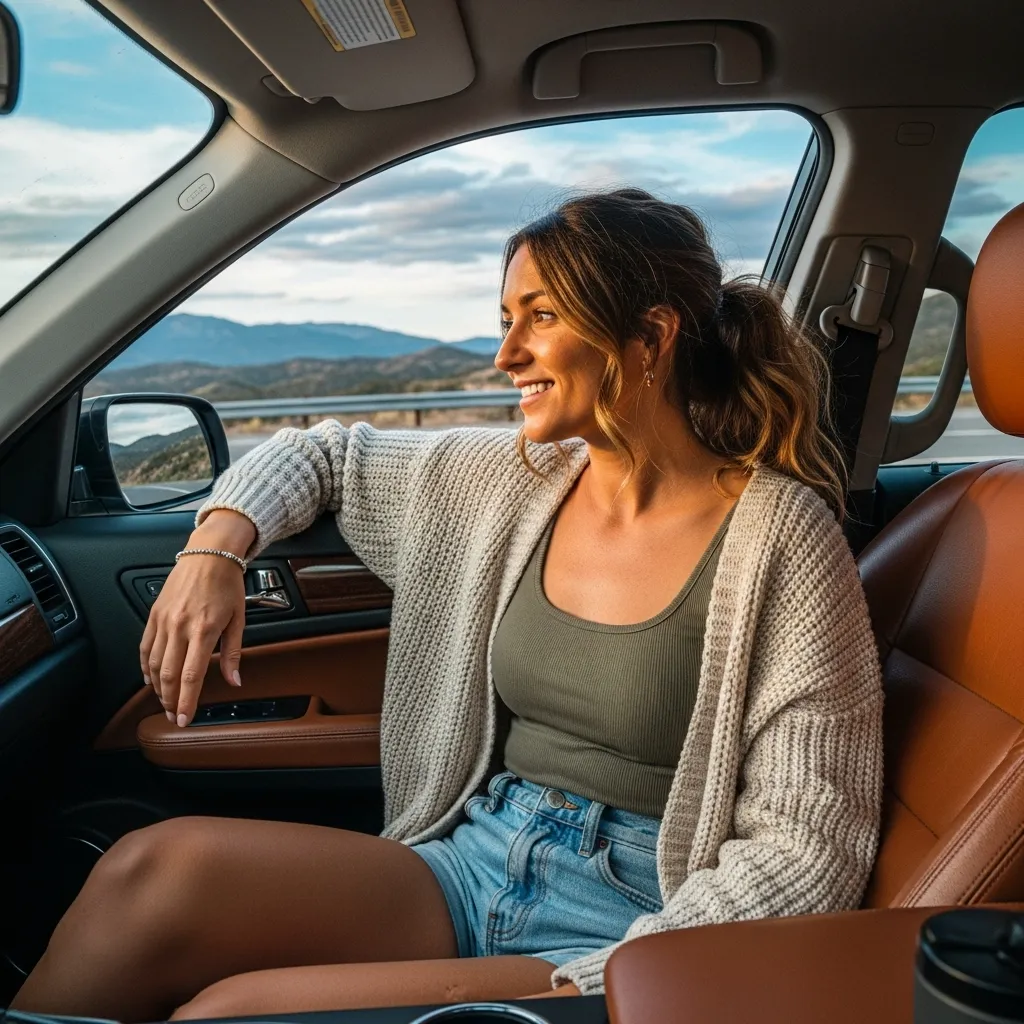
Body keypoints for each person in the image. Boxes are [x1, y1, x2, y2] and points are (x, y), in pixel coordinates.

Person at [14, 188, 883, 1021]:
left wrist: (615, 978)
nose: (507, 355)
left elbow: (807, 848)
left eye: (540, 318)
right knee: (150, 871)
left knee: (227, 1015)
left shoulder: (782, 541)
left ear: (650, 335)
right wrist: (212, 550)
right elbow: (322, 457)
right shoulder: (510, 478)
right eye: (507, 321)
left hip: (637, 909)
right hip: (474, 854)